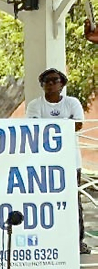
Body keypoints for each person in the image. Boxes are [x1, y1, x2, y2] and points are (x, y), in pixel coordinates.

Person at [25, 68, 89, 254]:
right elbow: (36, 129)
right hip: (44, 162)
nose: (51, 84)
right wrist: (64, 123)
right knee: (45, 202)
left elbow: (77, 125)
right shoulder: (35, 105)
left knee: (73, 202)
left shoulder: (72, 103)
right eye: (46, 81)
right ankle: (49, 240)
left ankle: (78, 242)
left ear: (62, 84)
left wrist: (52, 126)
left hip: (70, 162)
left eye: (55, 80)